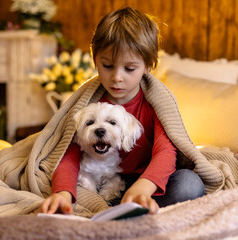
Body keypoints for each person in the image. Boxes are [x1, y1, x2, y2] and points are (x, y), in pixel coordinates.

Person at [35, 7, 205, 215]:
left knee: (189, 184)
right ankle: (112, 211)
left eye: (129, 69)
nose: (117, 77)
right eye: (107, 66)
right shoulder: (87, 102)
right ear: (96, 60)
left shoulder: (156, 103)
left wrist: (143, 186)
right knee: (64, 185)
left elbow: (166, 152)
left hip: (148, 180)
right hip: (100, 180)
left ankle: (125, 209)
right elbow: (66, 152)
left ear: (148, 66)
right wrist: (62, 193)